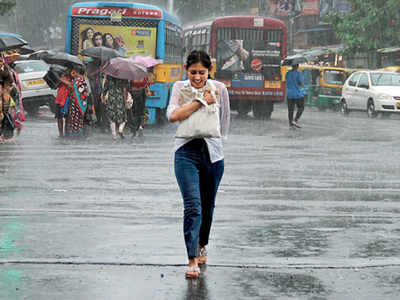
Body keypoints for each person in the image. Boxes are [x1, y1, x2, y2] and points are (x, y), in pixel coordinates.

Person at [167, 50, 230, 278]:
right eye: (193, 72)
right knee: (193, 205)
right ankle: (192, 258)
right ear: (187, 70)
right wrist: (200, 100)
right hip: (185, 152)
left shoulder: (220, 89)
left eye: (201, 73)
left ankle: (202, 243)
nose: (197, 77)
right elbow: (173, 116)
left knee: (207, 205)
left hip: (213, 154)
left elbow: (224, 122)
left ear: (209, 72)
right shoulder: (179, 88)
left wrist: (217, 143)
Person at [63, 67, 90, 137]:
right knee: (77, 119)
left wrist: (63, 80)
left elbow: (72, 88)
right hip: (79, 103)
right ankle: (77, 133)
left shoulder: (79, 80)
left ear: (76, 72)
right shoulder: (81, 79)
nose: (72, 73)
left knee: (76, 119)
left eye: (73, 71)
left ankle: (77, 134)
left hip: (77, 104)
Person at [101, 75, 128, 141]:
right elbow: (125, 89)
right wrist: (125, 99)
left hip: (111, 99)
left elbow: (105, 89)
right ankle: (120, 129)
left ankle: (114, 135)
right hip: (120, 99)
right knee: (123, 116)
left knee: (111, 118)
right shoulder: (123, 76)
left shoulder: (108, 77)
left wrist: (103, 97)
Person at [285, 63, 304, 128]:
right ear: (297, 66)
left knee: (290, 110)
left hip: (289, 94)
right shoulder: (298, 73)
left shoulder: (287, 73)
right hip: (297, 94)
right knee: (301, 107)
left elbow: (286, 81)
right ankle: (295, 120)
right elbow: (301, 83)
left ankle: (290, 124)